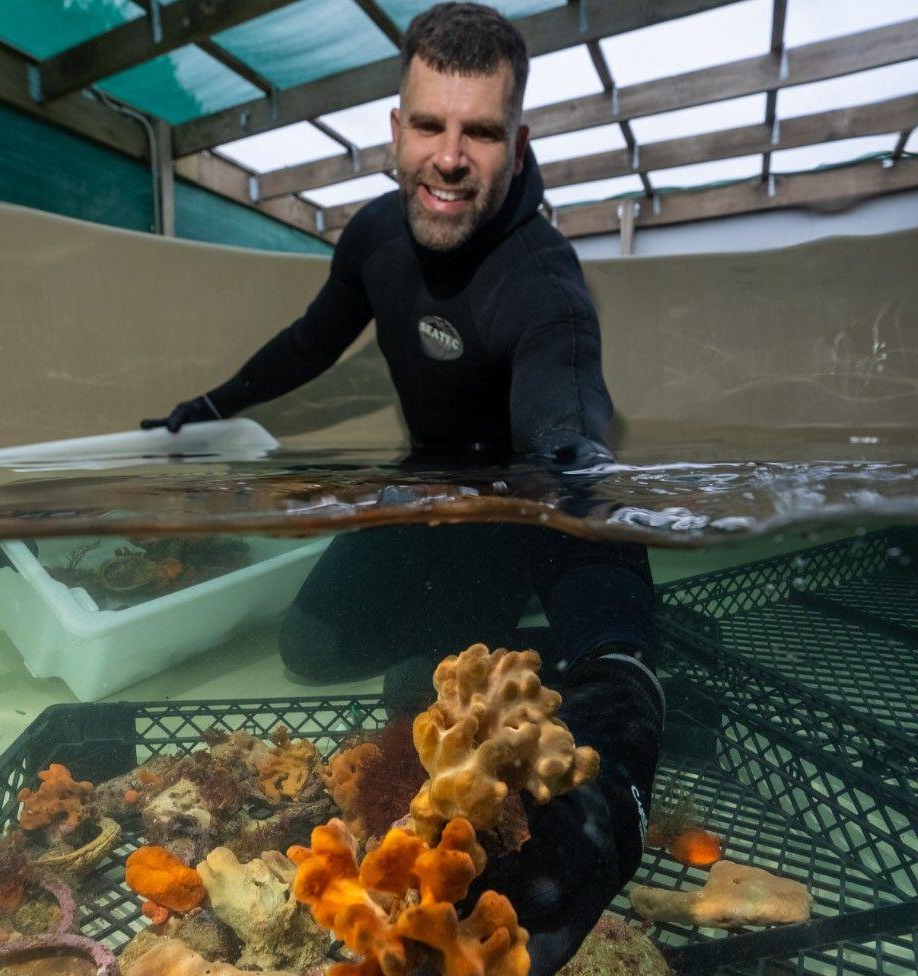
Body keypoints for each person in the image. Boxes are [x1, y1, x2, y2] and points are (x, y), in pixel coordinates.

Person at [143, 5, 663, 973]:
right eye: (430, 124)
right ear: (395, 127)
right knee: (311, 650)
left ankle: (621, 675)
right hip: (431, 500)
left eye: (480, 131)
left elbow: (565, 385)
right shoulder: (376, 233)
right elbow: (310, 339)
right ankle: (510, 655)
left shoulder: (539, 278)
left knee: (608, 653)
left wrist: (571, 461)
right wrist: (210, 404)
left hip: (543, 508)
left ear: (516, 142)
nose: (450, 156)